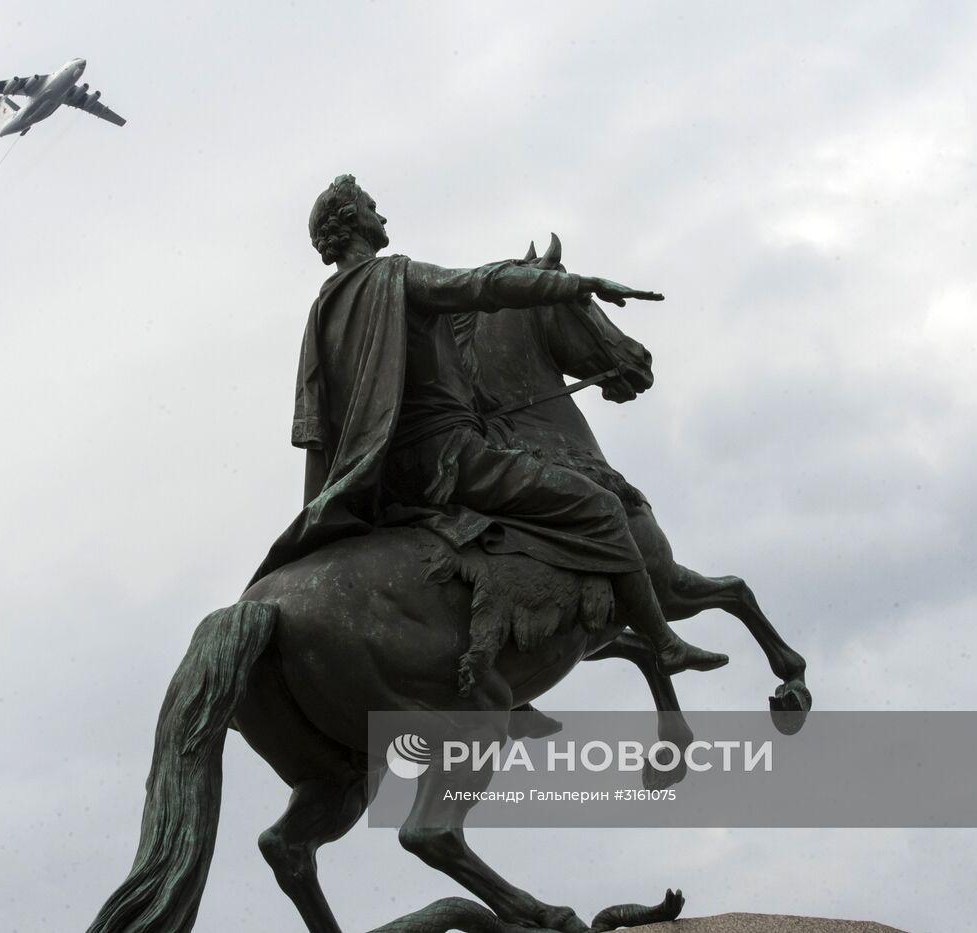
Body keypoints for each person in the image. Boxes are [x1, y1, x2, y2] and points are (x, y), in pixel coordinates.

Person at [253, 174, 726, 675]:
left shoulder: (322, 310)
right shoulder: (395, 278)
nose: (382, 216)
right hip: (449, 458)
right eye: (372, 207)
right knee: (604, 507)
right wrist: (576, 285)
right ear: (351, 223)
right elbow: (482, 286)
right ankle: (664, 643)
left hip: (383, 480)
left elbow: (314, 424)